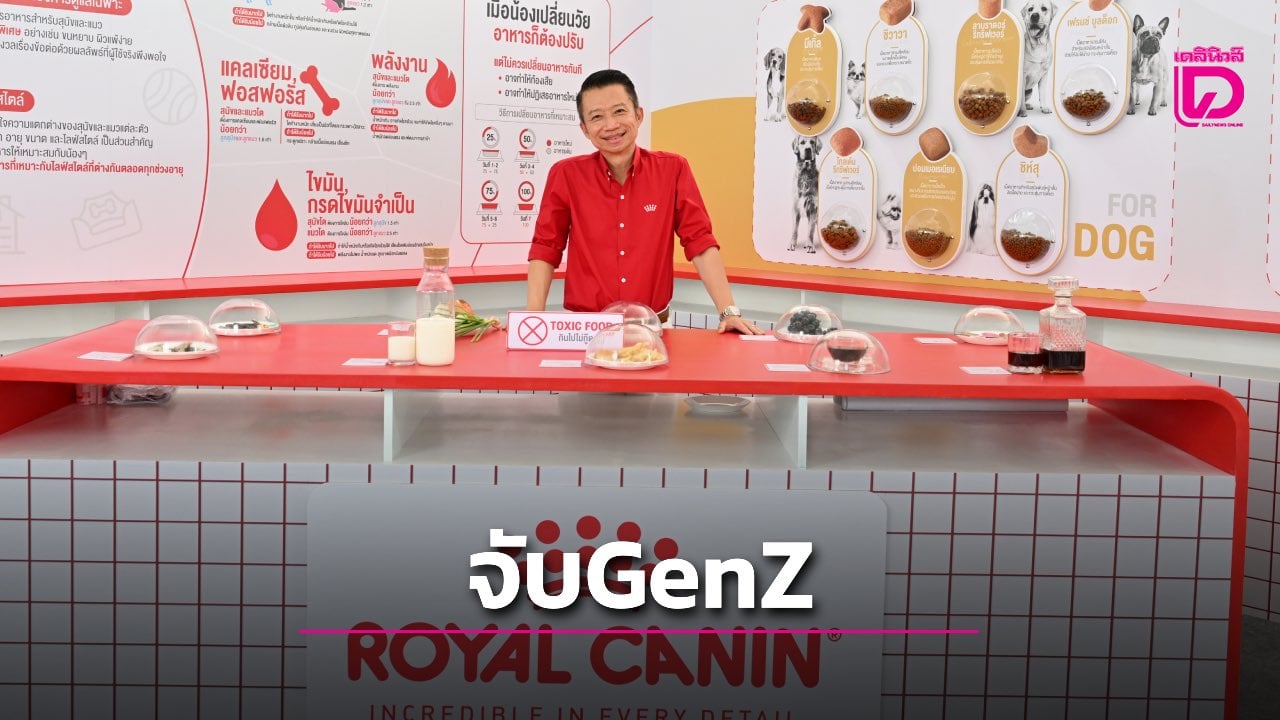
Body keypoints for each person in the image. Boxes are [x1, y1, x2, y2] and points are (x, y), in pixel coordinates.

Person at [526, 69, 764, 335]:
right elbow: (546, 246)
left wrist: (728, 312)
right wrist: (531, 320)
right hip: (586, 331)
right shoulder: (566, 175)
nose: (611, 125)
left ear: (638, 115)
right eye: (597, 117)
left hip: (654, 328)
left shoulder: (672, 169)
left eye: (619, 111)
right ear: (585, 129)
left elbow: (699, 240)